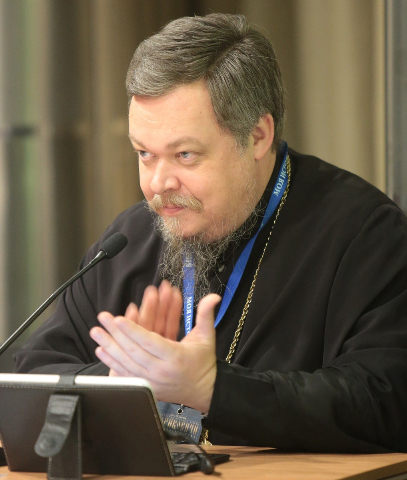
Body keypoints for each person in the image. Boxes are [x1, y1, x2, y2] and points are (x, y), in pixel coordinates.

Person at [14, 13, 407, 453]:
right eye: (144, 154)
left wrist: (213, 389)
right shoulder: (127, 242)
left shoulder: (363, 234)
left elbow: (384, 399)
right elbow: (29, 377)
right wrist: (119, 383)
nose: (158, 184)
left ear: (257, 136)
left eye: (184, 155)